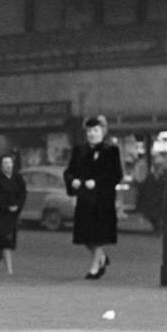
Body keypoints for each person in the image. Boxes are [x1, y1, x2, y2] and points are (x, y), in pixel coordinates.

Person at [64, 114, 123, 279]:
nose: (92, 133)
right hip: (84, 199)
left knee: (98, 236)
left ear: (103, 132)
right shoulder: (79, 151)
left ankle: (95, 268)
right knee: (85, 236)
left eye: (96, 130)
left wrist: (97, 183)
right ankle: (102, 258)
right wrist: (73, 180)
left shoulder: (111, 150)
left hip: (102, 200)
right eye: (89, 130)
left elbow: (116, 175)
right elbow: (69, 171)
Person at [0, 153, 27, 274]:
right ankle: (10, 271)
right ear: (1, 165)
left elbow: (23, 193)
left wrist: (17, 206)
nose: (8, 165)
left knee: (6, 242)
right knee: (5, 241)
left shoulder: (17, 177)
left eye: (10, 163)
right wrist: (6, 206)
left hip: (12, 215)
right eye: (5, 163)